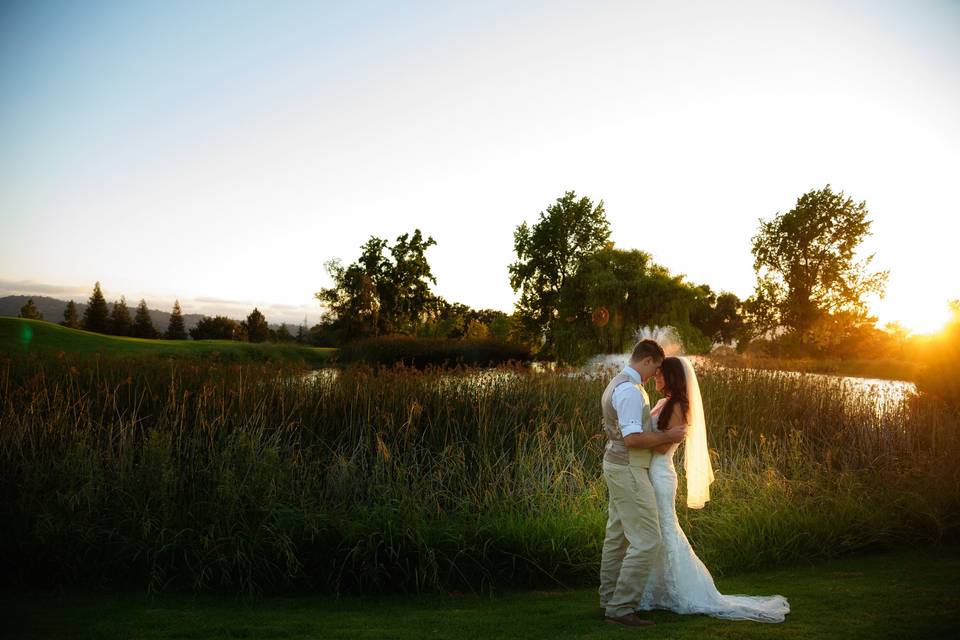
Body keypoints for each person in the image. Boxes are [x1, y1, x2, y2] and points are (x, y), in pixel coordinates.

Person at [638, 356, 790, 622]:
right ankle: (655, 590)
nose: (656, 377)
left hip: (661, 474)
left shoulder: (677, 406)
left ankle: (681, 591)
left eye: (661, 373)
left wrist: (634, 440)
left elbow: (662, 447)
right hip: (652, 472)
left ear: (672, 376)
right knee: (657, 530)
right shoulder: (663, 402)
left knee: (665, 529)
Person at [599, 340, 688, 627]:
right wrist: (669, 436)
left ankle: (609, 599)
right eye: (656, 368)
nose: (656, 375)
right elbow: (632, 439)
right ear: (648, 360)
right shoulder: (630, 391)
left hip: (619, 465)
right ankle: (621, 607)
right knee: (648, 540)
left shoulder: (619, 382)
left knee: (617, 537)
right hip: (628, 468)